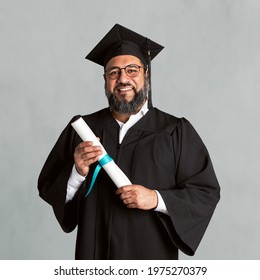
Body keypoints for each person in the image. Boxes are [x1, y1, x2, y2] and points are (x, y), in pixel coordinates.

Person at [38, 24, 220, 260]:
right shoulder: (83, 129)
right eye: (114, 72)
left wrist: (156, 198)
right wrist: (77, 171)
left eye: (132, 70)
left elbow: (205, 192)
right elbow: (49, 187)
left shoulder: (175, 131)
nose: (123, 79)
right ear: (105, 79)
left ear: (146, 74)